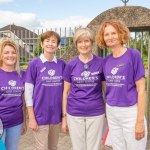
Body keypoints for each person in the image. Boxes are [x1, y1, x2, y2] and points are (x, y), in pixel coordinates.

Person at [96, 19, 147, 150]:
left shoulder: (133, 55)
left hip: (130, 112)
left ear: (121, 34)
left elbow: (141, 89)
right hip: (112, 112)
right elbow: (106, 88)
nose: (110, 37)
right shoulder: (105, 61)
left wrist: (140, 121)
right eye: (106, 34)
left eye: (113, 33)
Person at [62, 28, 105, 150]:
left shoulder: (101, 63)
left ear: (92, 43)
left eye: (86, 41)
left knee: (93, 147)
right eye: (80, 42)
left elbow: (106, 90)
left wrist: (108, 112)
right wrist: (64, 118)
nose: (83, 44)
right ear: (76, 44)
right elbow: (65, 93)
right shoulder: (71, 64)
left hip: (96, 112)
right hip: (74, 113)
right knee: (78, 147)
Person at [25, 31, 65, 150]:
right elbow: (28, 93)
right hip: (39, 116)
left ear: (58, 45)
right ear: (42, 44)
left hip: (56, 116)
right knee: (42, 148)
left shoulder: (62, 64)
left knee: (53, 147)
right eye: (47, 41)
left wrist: (64, 117)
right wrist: (31, 118)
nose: (50, 44)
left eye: (53, 41)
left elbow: (66, 91)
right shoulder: (34, 64)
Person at [0, 38, 27, 150]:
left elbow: (24, 101)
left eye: (13, 52)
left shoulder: (23, 74)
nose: (10, 55)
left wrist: (24, 121)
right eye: (6, 52)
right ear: (1, 55)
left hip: (16, 121)